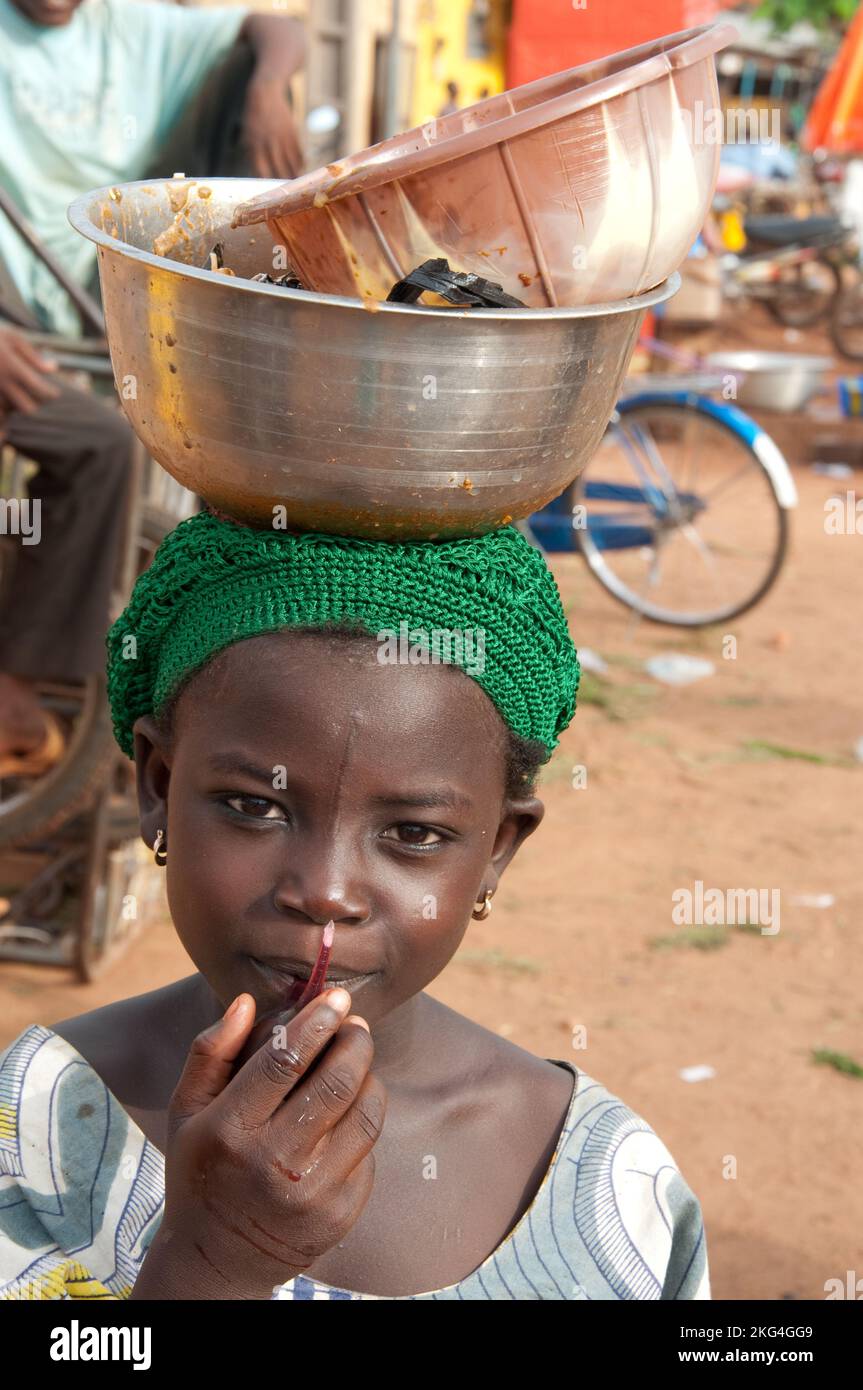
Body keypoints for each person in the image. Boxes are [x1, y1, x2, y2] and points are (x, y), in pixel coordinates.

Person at [0, 512, 710, 1300]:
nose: (325, 892)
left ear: (497, 851)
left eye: (413, 832)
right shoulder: (31, 1129)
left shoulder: (602, 1190)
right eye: (253, 807)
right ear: (158, 786)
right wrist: (208, 1268)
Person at [0, 0, 305, 772]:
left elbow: (273, 27)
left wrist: (268, 91)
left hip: (90, 283)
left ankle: (38, 677)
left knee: (109, 444)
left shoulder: (129, 31)